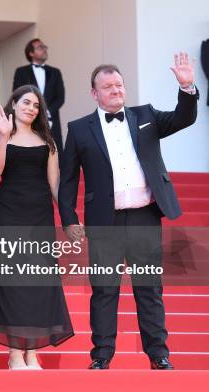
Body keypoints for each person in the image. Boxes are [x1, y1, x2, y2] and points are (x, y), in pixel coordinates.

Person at [58, 54, 198, 370]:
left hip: (145, 217)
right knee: (104, 290)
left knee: (149, 288)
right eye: (107, 87)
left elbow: (182, 118)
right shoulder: (79, 129)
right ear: (94, 93)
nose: (116, 90)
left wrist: (187, 87)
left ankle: (159, 354)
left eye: (119, 85)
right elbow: (67, 180)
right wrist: (69, 218)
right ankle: (102, 355)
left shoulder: (145, 115)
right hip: (104, 221)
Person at [0, 85, 74, 370]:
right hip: (8, 214)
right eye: (26, 102)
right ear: (14, 104)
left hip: (40, 217)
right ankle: (14, 355)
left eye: (35, 105)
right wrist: (5, 136)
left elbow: (55, 184)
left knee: (37, 283)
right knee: (10, 282)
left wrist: (69, 217)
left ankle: (32, 353)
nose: (31, 108)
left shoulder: (48, 142)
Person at [13, 38, 65, 154]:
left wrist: (47, 111)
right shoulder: (21, 72)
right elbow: (17, 95)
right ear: (31, 53)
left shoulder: (55, 72)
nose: (44, 50)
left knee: (54, 152)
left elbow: (60, 97)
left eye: (44, 47)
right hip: (29, 120)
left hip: (52, 120)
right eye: (40, 47)